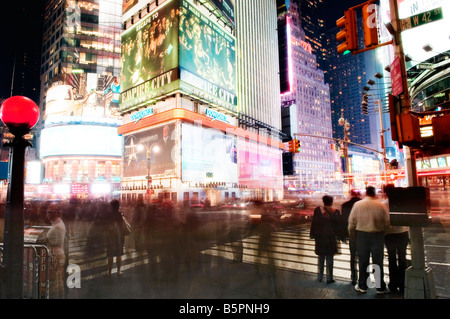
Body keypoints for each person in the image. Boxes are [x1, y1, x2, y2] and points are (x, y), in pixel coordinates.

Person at [348, 186, 390, 294]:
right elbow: (387, 223)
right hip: (377, 235)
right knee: (377, 261)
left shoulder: (357, 205)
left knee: (363, 261)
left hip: (361, 235)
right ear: (374, 193)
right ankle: (380, 287)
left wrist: (352, 235)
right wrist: (383, 233)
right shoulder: (380, 205)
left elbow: (351, 222)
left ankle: (363, 286)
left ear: (366, 193)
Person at [383, 184, 409, 294]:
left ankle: (393, 285)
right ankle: (403, 285)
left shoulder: (383, 204)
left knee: (392, 260)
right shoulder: (403, 202)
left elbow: (383, 221)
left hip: (390, 235)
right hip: (403, 233)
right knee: (402, 259)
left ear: (386, 192)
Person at [310, 195, 342, 284]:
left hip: (320, 237)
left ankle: (319, 277)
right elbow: (338, 226)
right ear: (331, 202)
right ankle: (329, 278)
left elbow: (314, 223)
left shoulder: (317, 210)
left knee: (321, 257)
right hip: (331, 238)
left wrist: (312, 235)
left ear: (323, 202)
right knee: (330, 258)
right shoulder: (336, 212)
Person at [341, 189, 362, 285]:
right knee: (363, 256)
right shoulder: (362, 204)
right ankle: (363, 277)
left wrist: (344, 235)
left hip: (351, 233)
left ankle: (353, 277)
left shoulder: (345, 205)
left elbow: (344, 221)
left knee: (353, 255)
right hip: (363, 233)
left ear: (351, 194)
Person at [46, 204, 67, 299]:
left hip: (56, 255)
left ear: (55, 214)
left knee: (55, 281)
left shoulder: (58, 226)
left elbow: (52, 240)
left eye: (49, 212)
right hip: (58, 254)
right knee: (58, 280)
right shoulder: (56, 223)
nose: (47, 214)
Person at [105, 199, 125, 277]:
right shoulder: (120, 214)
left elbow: (105, 226)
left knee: (110, 255)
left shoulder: (108, 215)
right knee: (118, 254)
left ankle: (109, 271)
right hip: (118, 236)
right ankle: (118, 270)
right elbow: (122, 226)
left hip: (110, 236)